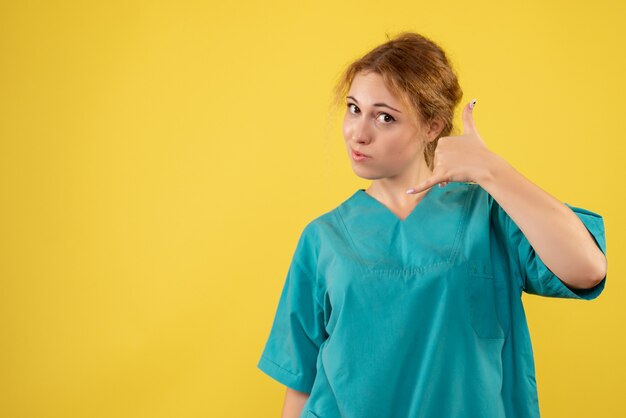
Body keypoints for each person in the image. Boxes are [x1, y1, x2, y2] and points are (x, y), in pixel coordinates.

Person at [257, 32, 608, 418]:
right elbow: (301, 386)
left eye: (384, 117)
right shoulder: (323, 239)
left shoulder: (489, 215)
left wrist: (491, 170)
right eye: (354, 108)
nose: (358, 132)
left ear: (432, 127)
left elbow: (588, 268)